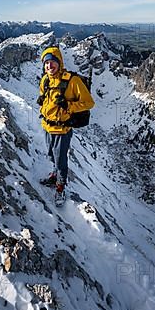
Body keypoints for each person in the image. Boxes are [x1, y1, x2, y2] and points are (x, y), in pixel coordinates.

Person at [37, 46, 95, 205]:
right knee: (52, 156)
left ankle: (61, 187)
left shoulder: (72, 80)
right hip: (47, 126)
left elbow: (89, 103)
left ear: (59, 62)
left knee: (61, 160)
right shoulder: (45, 80)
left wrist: (68, 106)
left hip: (62, 129)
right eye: (46, 63)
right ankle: (54, 176)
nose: (49, 66)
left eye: (52, 62)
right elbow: (45, 97)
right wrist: (42, 103)